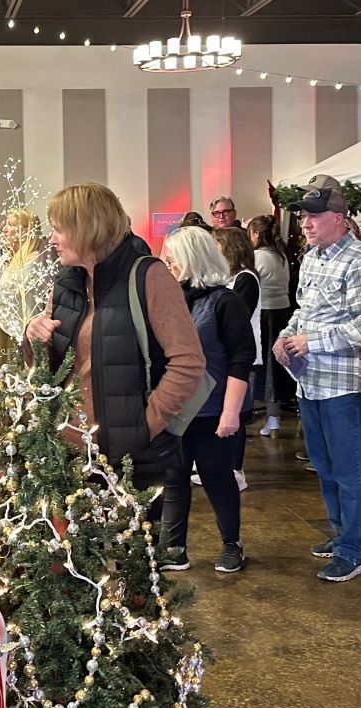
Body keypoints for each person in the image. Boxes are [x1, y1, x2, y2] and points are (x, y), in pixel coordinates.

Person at [24, 183, 205, 494]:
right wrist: (34, 337)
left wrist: (144, 427)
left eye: (58, 230)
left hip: (130, 462)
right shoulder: (67, 284)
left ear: (87, 229)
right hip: (67, 455)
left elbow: (188, 363)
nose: (51, 239)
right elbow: (51, 367)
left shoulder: (149, 276)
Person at [274, 175, 361, 582]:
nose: (306, 223)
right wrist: (286, 336)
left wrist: (314, 341)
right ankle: (350, 534)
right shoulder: (312, 257)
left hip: (345, 383)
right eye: (303, 216)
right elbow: (303, 310)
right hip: (310, 381)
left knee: (349, 468)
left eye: (315, 216)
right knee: (324, 465)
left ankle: (352, 549)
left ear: (339, 218)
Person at [159, 226, 255, 573]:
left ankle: (231, 544)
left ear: (191, 260)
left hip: (212, 409)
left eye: (172, 260)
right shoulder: (171, 301)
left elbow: (241, 358)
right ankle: (174, 548)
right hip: (175, 408)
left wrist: (231, 412)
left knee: (217, 476)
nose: (168, 266)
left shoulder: (225, 302)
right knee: (174, 478)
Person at [212, 226, 260, 489]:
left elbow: (236, 317)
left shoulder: (246, 279)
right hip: (224, 356)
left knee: (237, 412)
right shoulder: (226, 278)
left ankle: (235, 469)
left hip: (242, 358)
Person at [0, 208, 50, 366]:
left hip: (18, 333)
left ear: (26, 231)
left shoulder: (33, 260)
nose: (4, 229)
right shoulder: (5, 259)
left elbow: (11, 293)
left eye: (11, 225)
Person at [247, 215, 294, 437]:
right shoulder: (281, 255)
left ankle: (257, 414)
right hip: (282, 312)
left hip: (263, 314)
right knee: (275, 367)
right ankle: (273, 417)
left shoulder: (256, 257)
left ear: (255, 234)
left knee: (260, 366)